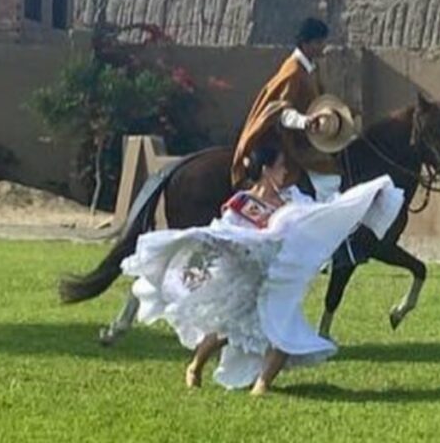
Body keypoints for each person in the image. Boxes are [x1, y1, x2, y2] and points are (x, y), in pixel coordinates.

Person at [121, 143, 403, 395]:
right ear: (267, 170)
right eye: (280, 167)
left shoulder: (291, 198)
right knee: (226, 329)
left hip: (278, 279)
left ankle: (262, 386)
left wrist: (361, 201)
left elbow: (319, 214)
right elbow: (228, 235)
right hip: (247, 277)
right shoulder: (241, 204)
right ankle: (195, 366)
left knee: (284, 333)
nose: (285, 172)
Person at [231, 17, 346, 203]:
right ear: (305, 43)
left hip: (307, 138)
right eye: (318, 42)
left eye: (323, 41)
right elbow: (281, 111)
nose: (322, 46)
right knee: (328, 180)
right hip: (289, 140)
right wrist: (304, 122)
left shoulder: (310, 69)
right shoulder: (293, 71)